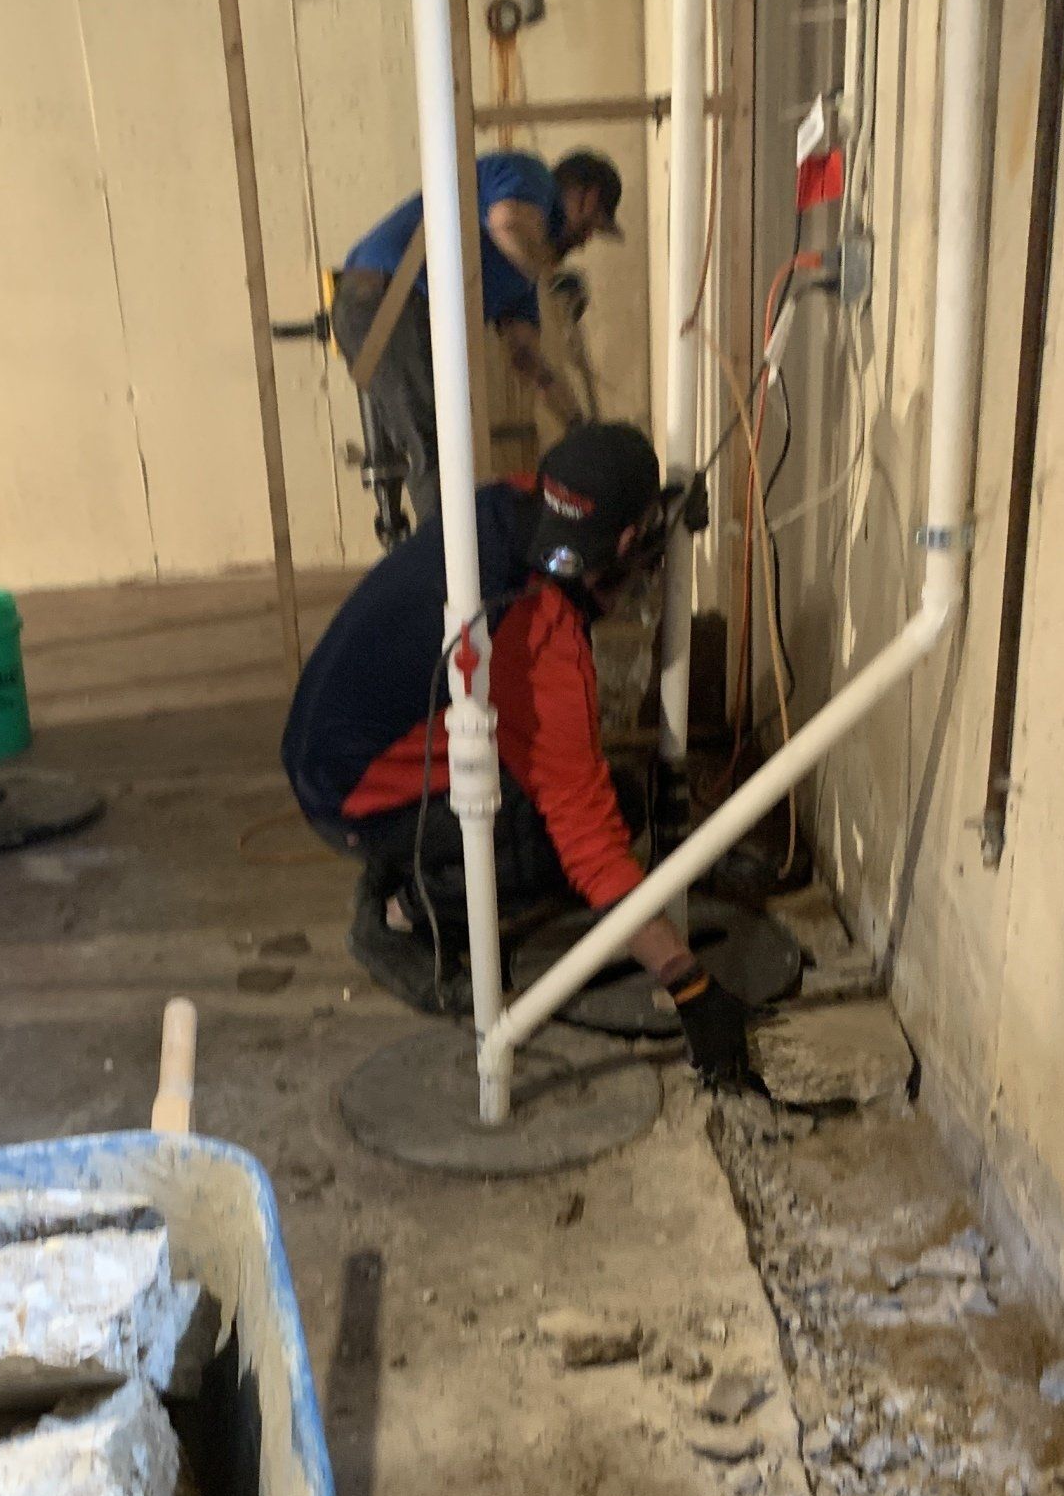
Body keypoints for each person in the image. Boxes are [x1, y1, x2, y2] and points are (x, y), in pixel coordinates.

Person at [281, 421, 762, 1093]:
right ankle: (409, 907)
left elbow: (599, 520)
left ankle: (404, 864)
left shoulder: (508, 502)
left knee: (576, 789)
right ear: (628, 545)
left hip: (327, 744)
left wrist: (668, 512)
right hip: (354, 795)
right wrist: (690, 985)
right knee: (598, 820)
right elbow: (589, 844)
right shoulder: (538, 638)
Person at [334, 148, 624, 529]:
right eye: (592, 225)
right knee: (435, 446)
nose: (586, 241)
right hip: (385, 297)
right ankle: (452, 574)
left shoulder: (524, 277)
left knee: (442, 444)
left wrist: (579, 424)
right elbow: (507, 224)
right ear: (585, 197)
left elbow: (528, 359)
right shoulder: (533, 176)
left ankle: (454, 564)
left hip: (403, 309)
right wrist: (549, 280)